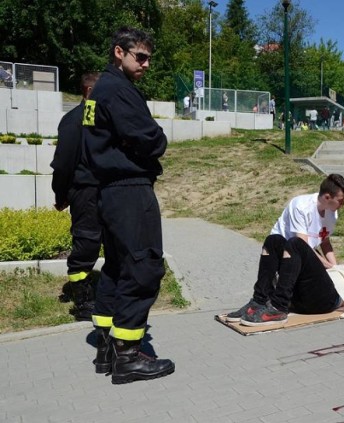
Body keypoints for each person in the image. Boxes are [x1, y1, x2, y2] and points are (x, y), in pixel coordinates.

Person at [82, 27, 174, 384]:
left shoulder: (99, 89)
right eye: (141, 56)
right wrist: (160, 139)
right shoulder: (118, 91)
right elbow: (150, 138)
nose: (147, 64)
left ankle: (106, 347)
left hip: (109, 190)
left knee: (118, 266)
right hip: (129, 189)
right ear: (119, 52)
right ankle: (128, 355)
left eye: (149, 57)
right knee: (143, 266)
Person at [224, 174, 344, 326]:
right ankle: (259, 300)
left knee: (295, 244)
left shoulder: (332, 213)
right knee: (274, 240)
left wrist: (335, 266)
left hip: (302, 260)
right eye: (340, 199)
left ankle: (279, 306)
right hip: (289, 256)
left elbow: (324, 241)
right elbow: (305, 246)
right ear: (327, 197)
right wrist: (329, 265)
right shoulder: (301, 206)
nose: (343, 203)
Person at [50, 72, 102, 322]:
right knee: (86, 244)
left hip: (108, 193)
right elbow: (62, 165)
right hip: (85, 192)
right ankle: (83, 301)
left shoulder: (105, 119)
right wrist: (61, 194)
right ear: (89, 91)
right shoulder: (73, 121)